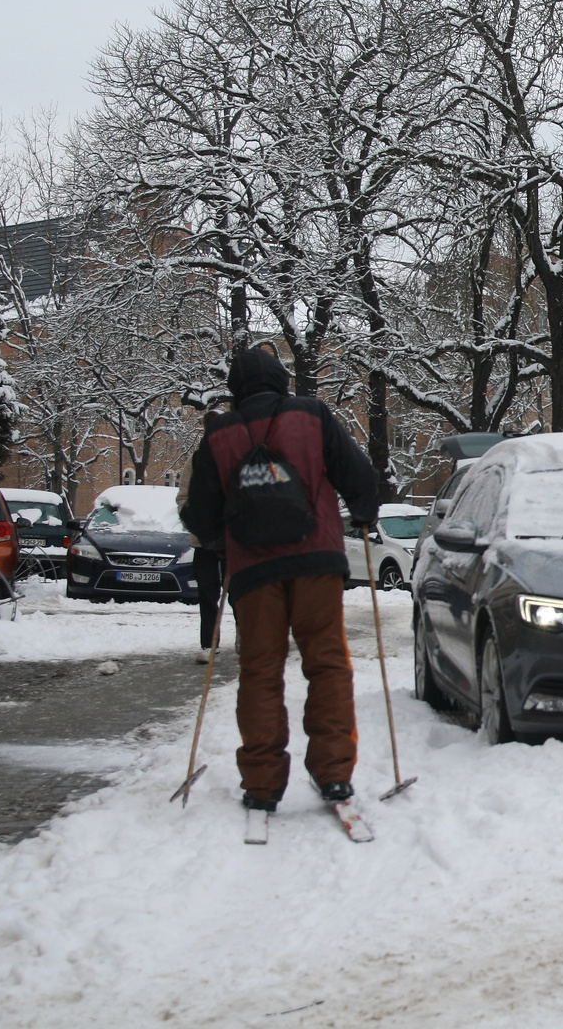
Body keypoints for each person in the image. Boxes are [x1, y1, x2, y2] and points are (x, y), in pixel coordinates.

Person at [180, 347, 380, 815]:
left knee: (260, 671)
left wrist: (219, 545)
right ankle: (333, 774)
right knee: (327, 664)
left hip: (253, 572)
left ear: (235, 389)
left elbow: (199, 514)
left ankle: (262, 783)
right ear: (282, 380)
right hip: (317, 561)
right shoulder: (311, 415)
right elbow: (359, 475)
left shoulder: (219, 435)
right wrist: (365, 512)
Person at [175, 411, 225, 664]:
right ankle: (209, 643)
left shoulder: (236, 458)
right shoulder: (196, 461)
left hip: (233, 539)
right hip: (204, 540)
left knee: (237, 591)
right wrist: (194, 524)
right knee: (207, 593)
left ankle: (245, 639)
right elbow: (183, 497)